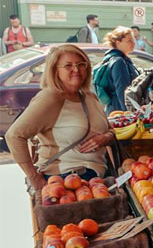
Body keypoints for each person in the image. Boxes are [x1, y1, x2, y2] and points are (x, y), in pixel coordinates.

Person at [5, 45, 115, 189]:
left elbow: (110, 129)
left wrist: (105, 138)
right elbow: (14, 136)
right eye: (68, 65)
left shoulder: (90, 97)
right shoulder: (50, 98)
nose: (76, 69)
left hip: (95, 178)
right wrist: (33, 177)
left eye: (81, 64)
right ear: (55, 71)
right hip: (66, 180)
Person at [93, 26, 139, 114]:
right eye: (129, 40)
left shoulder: (120, 59)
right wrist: (129, 115)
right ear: (118, 42)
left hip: (116, 109)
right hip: (119, 112)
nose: (133, 43)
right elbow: (122, 90)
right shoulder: (119, 61)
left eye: (134, 40)